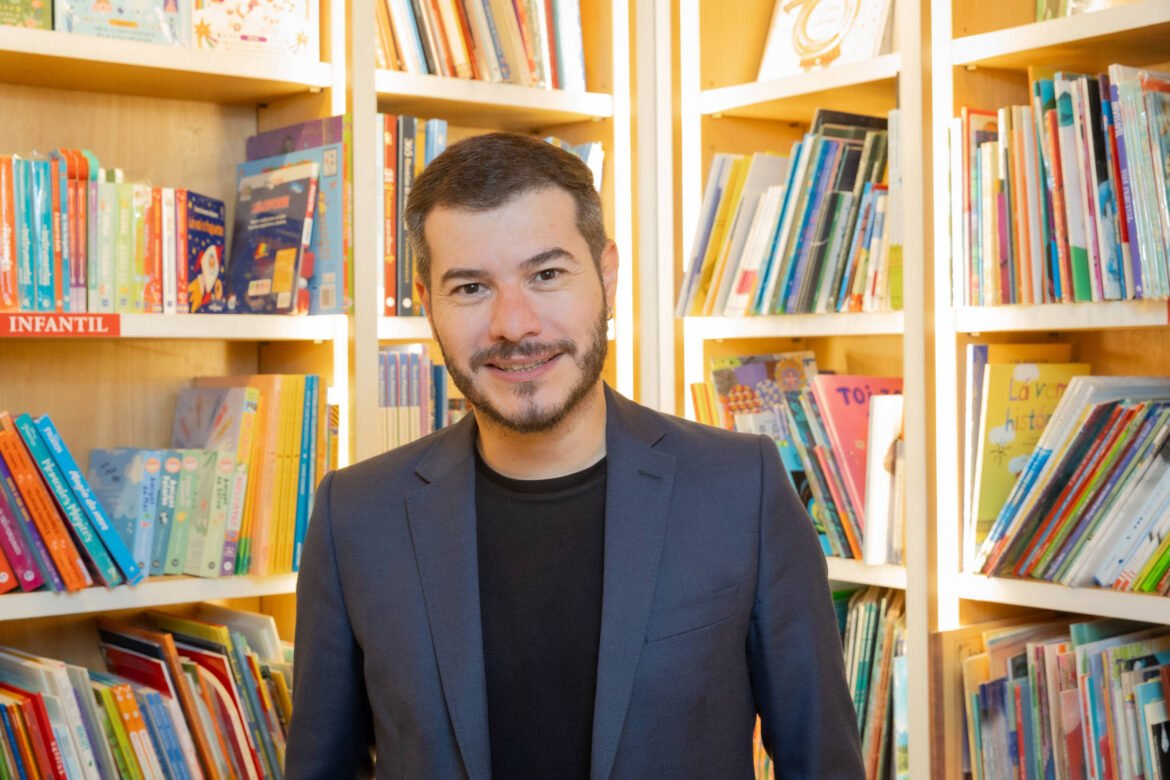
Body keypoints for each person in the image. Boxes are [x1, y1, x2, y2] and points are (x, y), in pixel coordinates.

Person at [286, 132, 864, 779]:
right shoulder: (354, 516)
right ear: (428, 306)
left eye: (546, 275)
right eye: (471, 288)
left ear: (607, 276)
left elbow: (823, 766)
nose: (514, 324)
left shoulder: (741, 489)